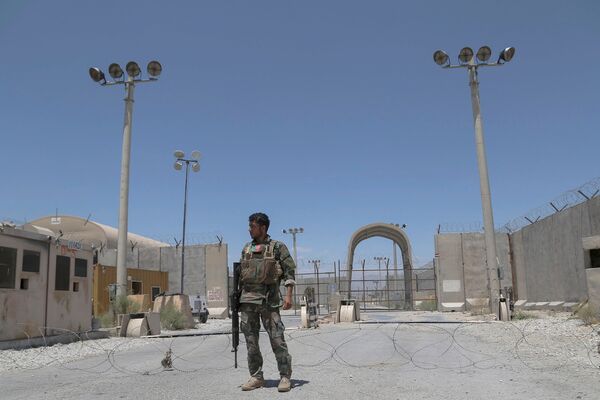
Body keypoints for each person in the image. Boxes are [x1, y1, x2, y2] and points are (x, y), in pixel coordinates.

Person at [239, 212, 296, 392]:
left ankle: (285, 376)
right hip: (248, 302)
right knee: (251, 341)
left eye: (253, 226)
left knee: (277, 339)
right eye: (250, 226)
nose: (249, 229)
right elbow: (242, 276)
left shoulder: (278, 247)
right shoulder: (247, 248)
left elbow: (289, 273)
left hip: (269, 303)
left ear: (263, 228)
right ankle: (256, 376)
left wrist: (288, 296)